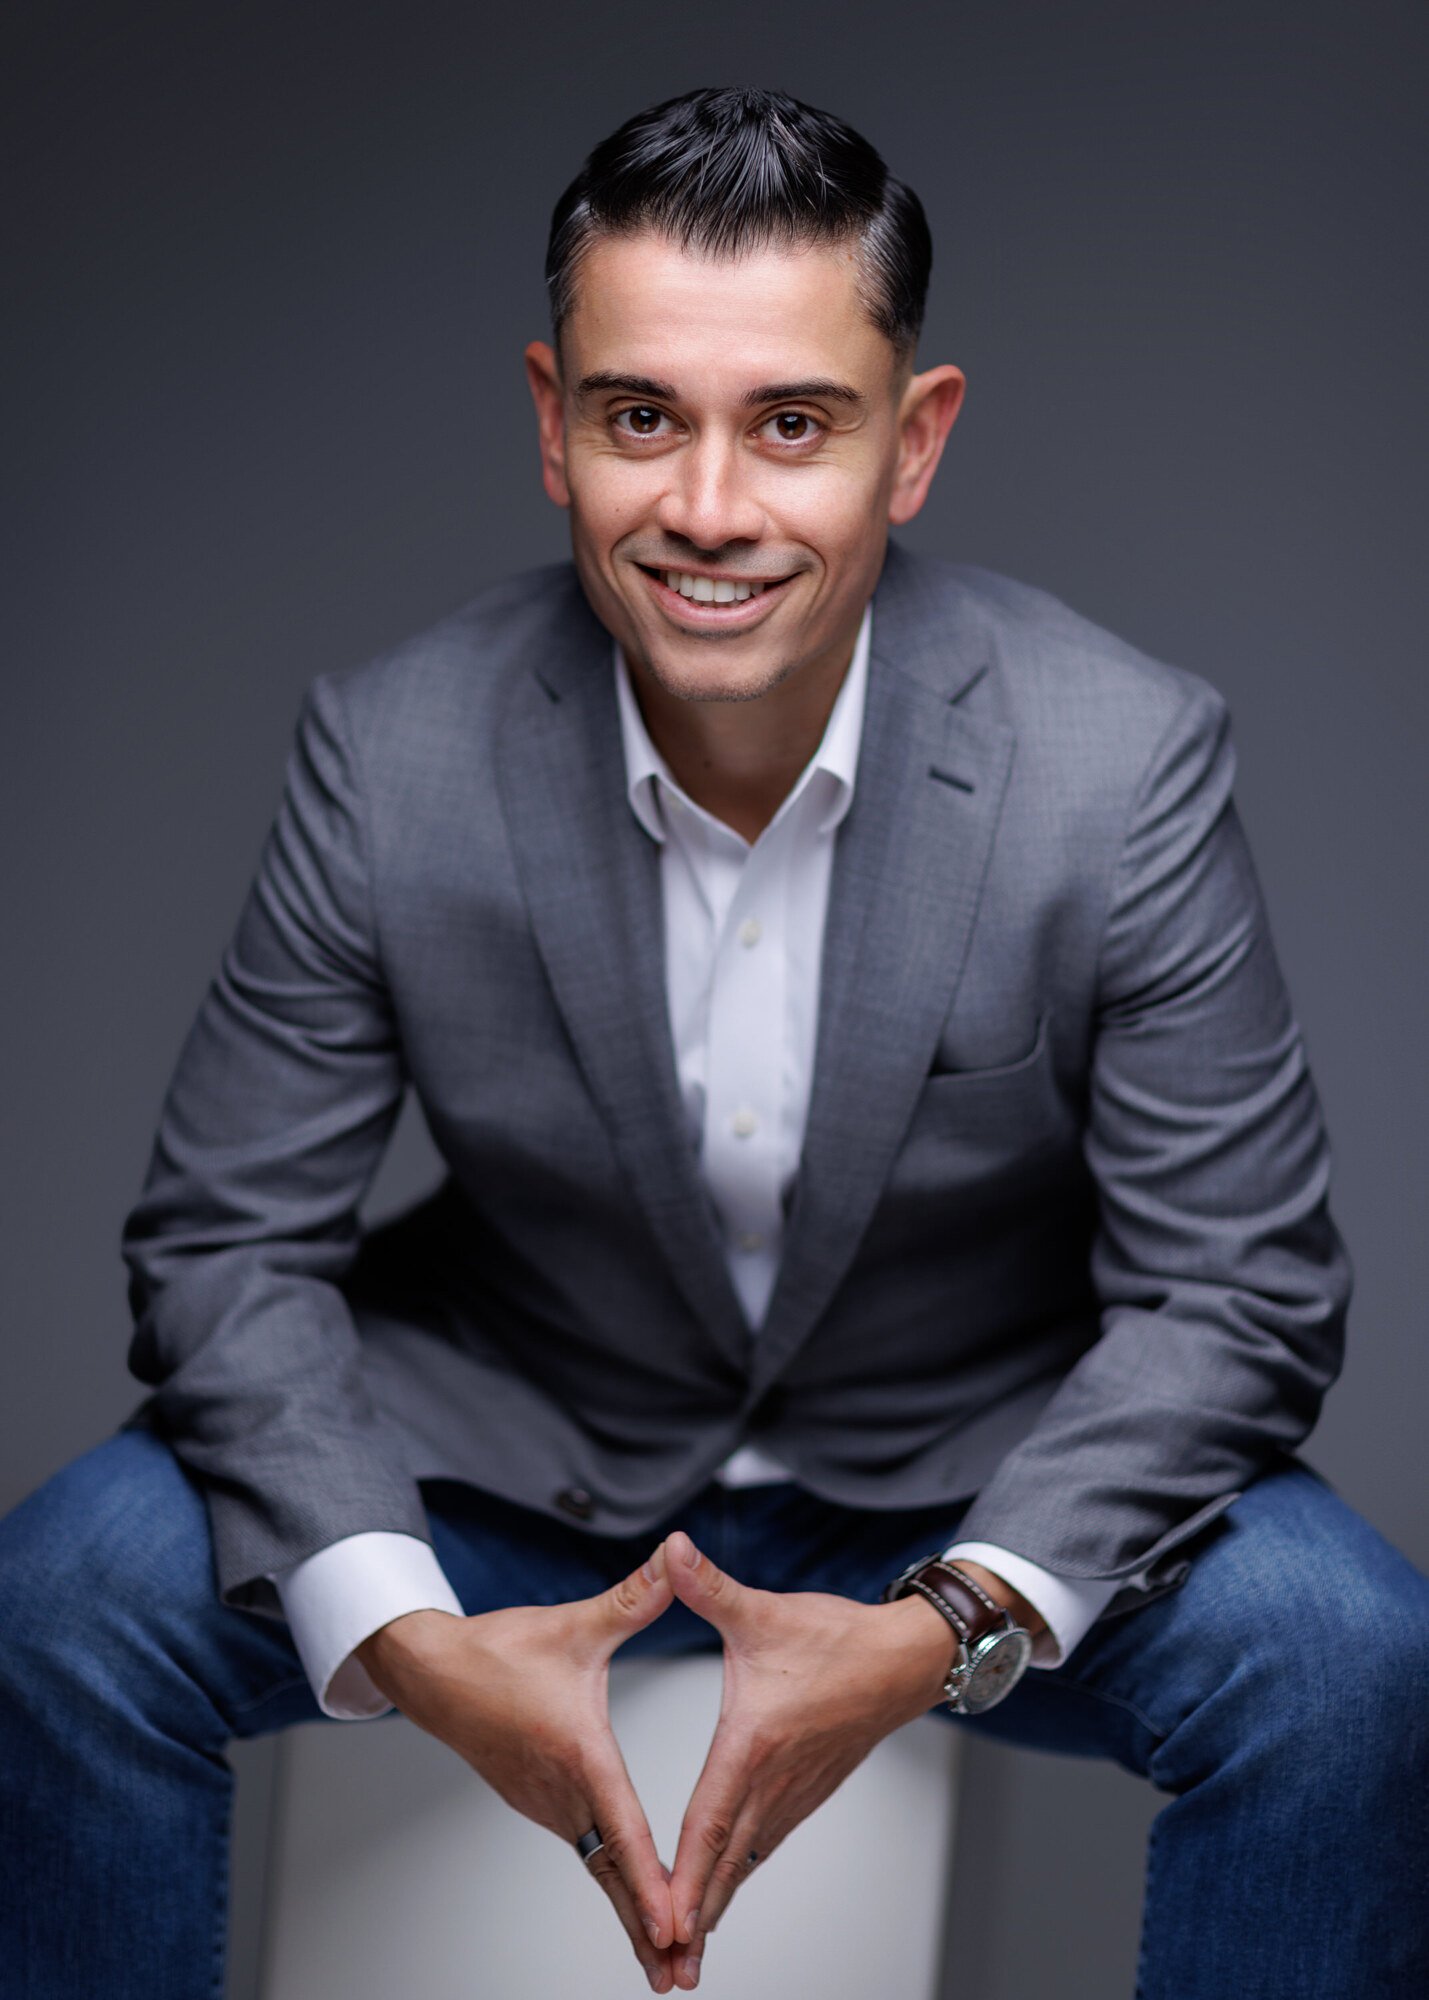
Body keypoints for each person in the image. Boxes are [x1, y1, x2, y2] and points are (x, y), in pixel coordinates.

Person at [0, 83, 1425, 2000]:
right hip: (512, 1450)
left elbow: (1238, 1291)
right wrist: (411, 1638)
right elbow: (223, 1246)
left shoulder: (1116, 764)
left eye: (794, 424)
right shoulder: (394, 752)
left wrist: (945, 1618)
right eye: (640, 416)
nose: (708, 510)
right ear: (550, 421)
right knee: (57, 1613)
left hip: (960, 1463)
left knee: (1350, 1669)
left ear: (914, 440)